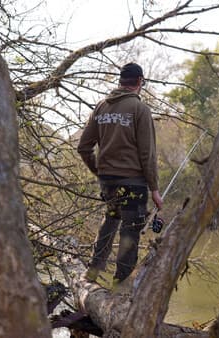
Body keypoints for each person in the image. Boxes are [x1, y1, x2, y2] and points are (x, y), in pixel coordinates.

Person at [77, 62, 163, 284]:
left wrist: (100, 172)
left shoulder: (101, 107)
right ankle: (121, 286)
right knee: (130, 231)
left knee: (111, 219)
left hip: (108, 181)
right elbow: (147, 154)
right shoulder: (140, 110)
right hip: (133, 182)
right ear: (139, 82)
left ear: (121, 81)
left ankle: (92, 273)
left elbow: (83, 147)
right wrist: (154, 189)